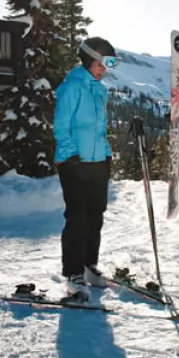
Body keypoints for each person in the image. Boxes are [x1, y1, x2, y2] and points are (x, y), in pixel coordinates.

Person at [53, 37, 119, 298]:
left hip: (97, 162)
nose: (106, 68)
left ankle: (89, 266)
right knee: (77, 217)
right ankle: (73, 273)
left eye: (109, 63)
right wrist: (72, 157)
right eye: (103, 62)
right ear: (89, 59)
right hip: (74, 162)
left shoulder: (100, 90)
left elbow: (99, 130)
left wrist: (105, 156)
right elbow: (61, 126)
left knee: (95, 215)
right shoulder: (72, 87)